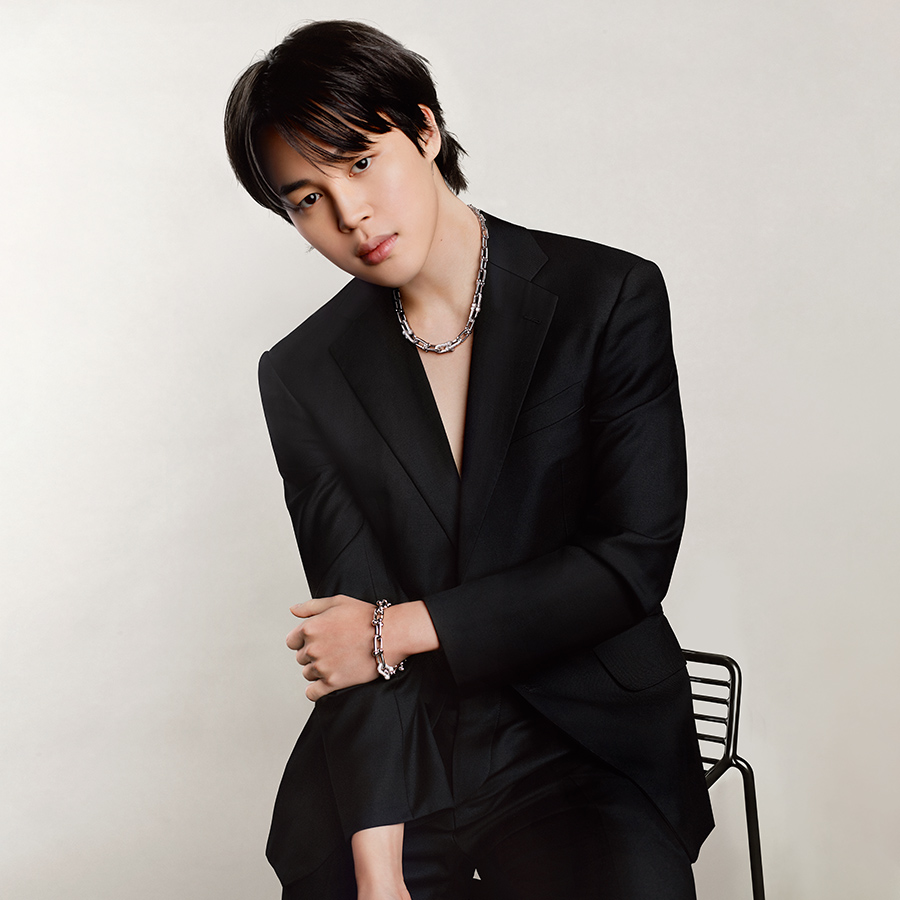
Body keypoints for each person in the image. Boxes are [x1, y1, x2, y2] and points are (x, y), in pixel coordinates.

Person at [224, 19, 714, 900]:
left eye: (361, 160)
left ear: (424, 129)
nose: (349, 214)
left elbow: (629, 562)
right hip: (407, 741)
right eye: (306, 199)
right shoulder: (303, 373)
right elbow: (350, 625)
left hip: (581, 734)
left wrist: (398, 630)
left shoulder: (607, 297)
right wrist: (379, 871)